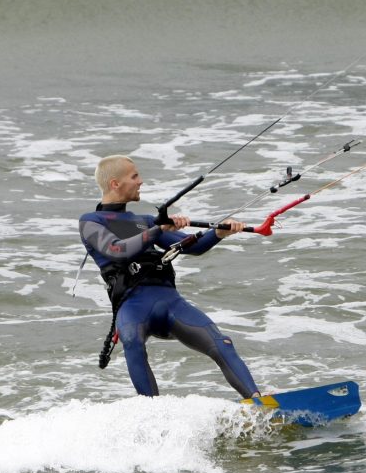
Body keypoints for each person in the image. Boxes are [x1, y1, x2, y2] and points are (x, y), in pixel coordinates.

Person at [79, 155, 261, 399]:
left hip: (171, 303)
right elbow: (117, 250)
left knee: (223, 343)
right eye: (134, 176)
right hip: (133, 307)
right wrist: (157, 230)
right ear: (115, 183)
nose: (140, 181)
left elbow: (189, 247)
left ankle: (260, 403)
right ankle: (155, 416)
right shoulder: (91, 222)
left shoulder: (142, 222)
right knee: (132, 341)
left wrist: (217, 233)